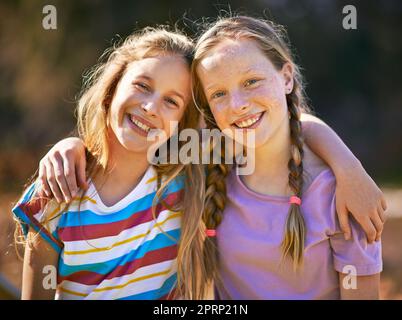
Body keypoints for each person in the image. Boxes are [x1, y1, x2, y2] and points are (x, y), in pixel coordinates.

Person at [193, 15, 382, 299]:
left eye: (251, 81)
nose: (238, 105)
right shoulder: (208, 180)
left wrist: (348, 167)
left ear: (286, 78)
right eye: (218, 93)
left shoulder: (340, 195)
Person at [12, 27, 207, 300]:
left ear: (182, 123)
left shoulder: (188, 190)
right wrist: (70, 144)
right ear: (113, 86)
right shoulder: (55, 191)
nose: (150, 107)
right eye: (142, 86)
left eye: (171, 101)